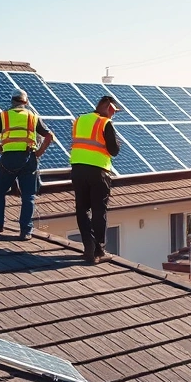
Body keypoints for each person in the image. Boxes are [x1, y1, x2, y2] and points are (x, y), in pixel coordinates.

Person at [0, 89, 54, 241]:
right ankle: (26, 231)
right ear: (26, 102)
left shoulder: (4, 116)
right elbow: (49, 135)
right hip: (29, 157)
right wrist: (39, 152)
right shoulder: (33, 117)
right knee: (28, 196)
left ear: (12, 101)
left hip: (9, 159)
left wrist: (1, 150)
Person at [70, 95, 122, 263]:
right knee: (99, 211)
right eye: (114, 111)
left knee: (82, 209)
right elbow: (113, 150)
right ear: (108, 107)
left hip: (78, 169)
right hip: (98, 171)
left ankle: (88, 247)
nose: (114, 115)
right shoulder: (105, 123)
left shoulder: (79, 120)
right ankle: (99, 249)